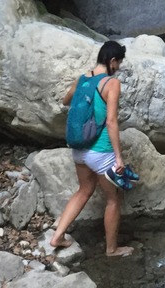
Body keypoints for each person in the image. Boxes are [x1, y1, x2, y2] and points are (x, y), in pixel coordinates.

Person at [49, 40, 134, 257]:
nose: (119, 68)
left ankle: (58, 236)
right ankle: (112, 249)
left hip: (79, 149)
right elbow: (111, 121)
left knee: (84, 190)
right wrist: (118, 157)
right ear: (112, 61)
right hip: (101, 151)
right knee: (113, 199)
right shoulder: (111, 83)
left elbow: (65, 100)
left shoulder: (83, 79)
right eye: (119, 63)